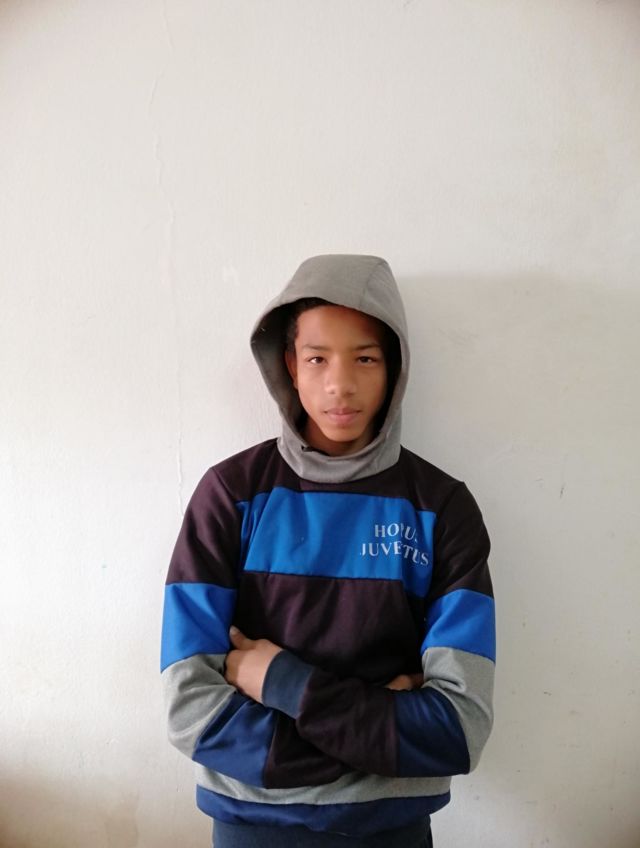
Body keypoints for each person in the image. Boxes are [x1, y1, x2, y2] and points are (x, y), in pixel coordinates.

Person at [161, 254, 496, 848]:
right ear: (290, 365)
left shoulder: (441, 508)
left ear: (394, 367)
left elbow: (458, 729)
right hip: (252, 826)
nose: (340, 384)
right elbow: (190, 710)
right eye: (317, 358)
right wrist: (377, 736)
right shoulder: (231, 495)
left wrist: (283, 682)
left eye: (365, 358)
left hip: (389, 830)